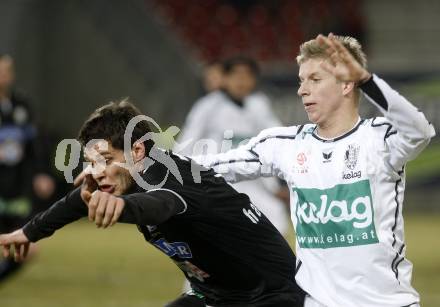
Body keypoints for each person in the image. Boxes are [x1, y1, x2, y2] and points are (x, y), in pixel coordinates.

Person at [193, 34, 436, 307]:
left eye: (314, 79)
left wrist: (367, 81)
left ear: (346, 84)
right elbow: (212, 167)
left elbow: (420, 131)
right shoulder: (284, 144)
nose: (302, 90)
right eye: (301, 80)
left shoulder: (379, 140)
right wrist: (151, 164)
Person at [0, 101, 305, 307]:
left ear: (137, 151)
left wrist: (124, 207)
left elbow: (161, 204)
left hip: (271, 297)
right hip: (220, 295)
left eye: (106, 160)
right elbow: (81, 199)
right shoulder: (130, 176)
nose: (97, 171)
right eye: (91, 163)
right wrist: (29, 232)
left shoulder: (173, 181)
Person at [176, 56, 290, 236]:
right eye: (236, 75)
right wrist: (182, 177)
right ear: (225, 78)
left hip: (253, 180)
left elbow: (278, 138)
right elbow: (187, 141)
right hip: (217, 179)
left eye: (247, 76)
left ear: (254, 80)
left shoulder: (259, 105)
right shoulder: (208, 106)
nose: (241, 81)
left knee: (277, 219)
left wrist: (279, 183)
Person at [0, 54, 55, 283]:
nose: (3, 76)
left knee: (28, 250)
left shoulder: (21, 104)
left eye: (6, 71)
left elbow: (35, 144)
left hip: (16, 190)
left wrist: (42, 174)